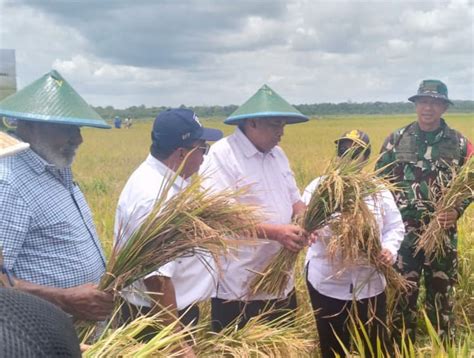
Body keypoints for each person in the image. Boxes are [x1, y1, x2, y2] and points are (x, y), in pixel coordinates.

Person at [0, 70, 114, 321]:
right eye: (67, 127)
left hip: (85, 331)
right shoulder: (7, 184)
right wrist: (63, 298)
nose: (79, 138)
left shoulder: (58, 170)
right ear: (27, 124)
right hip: (45, 332)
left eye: (79, 127)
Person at [201, 84, 310, 332]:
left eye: (283, 125)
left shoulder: (278, 154)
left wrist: (307, 222)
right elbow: (222, 218)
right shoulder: (223, 155)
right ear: (251, 123)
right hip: (239, 287)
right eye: (275, 125)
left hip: (280, 281)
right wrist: (275, 233)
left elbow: (296, 201)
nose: (281, 132)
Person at [375, 79, 473, 344]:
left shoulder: (461, 144)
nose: (428, 108)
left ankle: (443, 348)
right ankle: (399, 347)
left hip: (441, 234)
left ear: (444, 107)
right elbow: (378, 183)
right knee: (402, 294)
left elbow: (470, 183)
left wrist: (458, 209)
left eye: (435, 102)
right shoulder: (396, 140)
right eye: (423, 102)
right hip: (403, 237)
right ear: (416, 105)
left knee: (441, 295)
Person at [115, 108, 223, 340]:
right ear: (182, 152)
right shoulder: (153, 198)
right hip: (156, 319)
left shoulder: (175, 179)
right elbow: (156, 279)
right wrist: (174, 342)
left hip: (170, 313)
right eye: (203, 148)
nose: (205, 155)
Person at [303, 130, 405, 357]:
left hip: (370, 282)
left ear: (366, 157)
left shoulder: (378, 190)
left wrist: (389, 250)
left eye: (356, 152)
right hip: (327, 283)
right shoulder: (318, 189)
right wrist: (307, 232)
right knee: (332, 346)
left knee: (374, 345)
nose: (348, 156)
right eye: (343, 150)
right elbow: (301, 223)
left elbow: (395, 227)